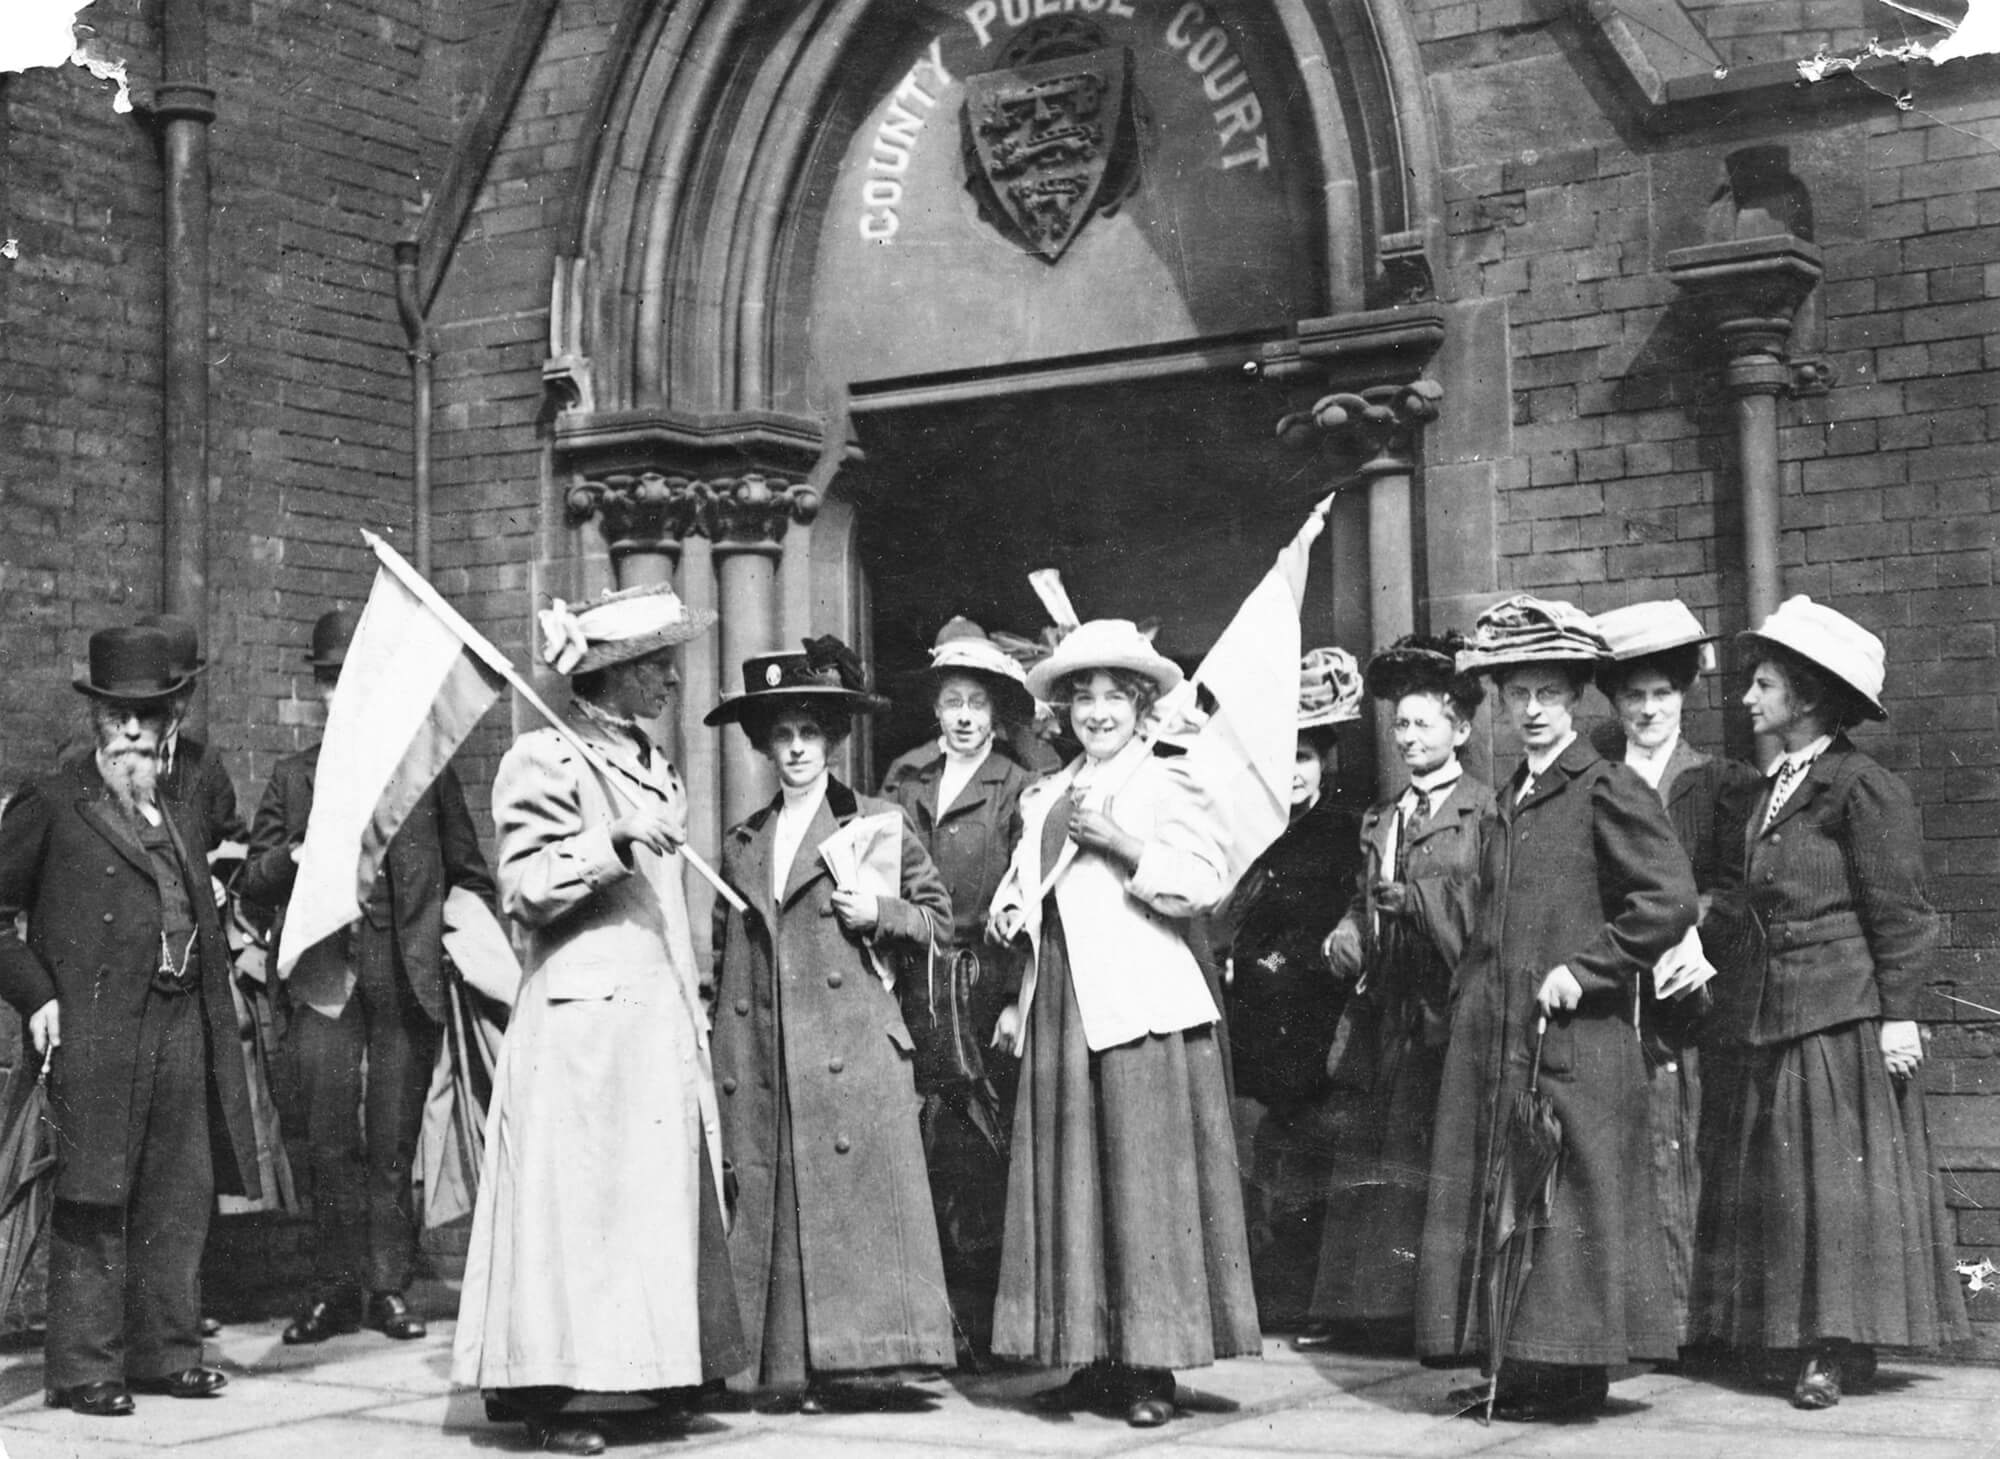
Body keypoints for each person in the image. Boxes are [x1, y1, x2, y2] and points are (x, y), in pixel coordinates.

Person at [454, 583, 745, 1457]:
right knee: (575, 1208)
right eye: (654, 664)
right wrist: (610, 841)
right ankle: (555, 1392)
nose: (668, 680)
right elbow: (522, 885)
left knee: (644, 1206)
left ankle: (644, 1376)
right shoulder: (545, 758)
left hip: (650, 1017)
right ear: (611, 674)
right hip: (580, 1024)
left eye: (668, 662)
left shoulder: (653, 764)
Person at [1415, 595, 1695, 1421]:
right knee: (1518, 1200)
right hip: (1505, 1040)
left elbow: (1667, 898)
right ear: (1497, 701)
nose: (1531, 710)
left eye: (1548, 693)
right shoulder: (1513, 796)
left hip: (1579, 1038)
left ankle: (1570, 1377)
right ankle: (1524, 1366)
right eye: (1516, 694)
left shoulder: (1603, 785)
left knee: (1571, 1209)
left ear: (1575, 696)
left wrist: (1591, 967)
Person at [1690, 596, 1970, 1409]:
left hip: (1836, 1020)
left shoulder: (1860, 787)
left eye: (1764, 684)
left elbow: (1904, 913)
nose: (1748, 698)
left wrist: (1901, 1014)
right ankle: (1802, 1337)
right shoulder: (1773, 788)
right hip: (1768, 1016)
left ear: (1806, 697)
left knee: (1831, 1189)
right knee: (1784, 1183)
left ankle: (1834, 1347)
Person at [987, 619, 1260, 1430]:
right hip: (1065, 1001)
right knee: (1078, 1182)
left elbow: (1204, 883)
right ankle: (1094, 1357)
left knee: (1142, 1184)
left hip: (1144, 1004)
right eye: (1083, 698)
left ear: (1142, 705)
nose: (1098, 712)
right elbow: (1019, 886)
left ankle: (1150, 1366)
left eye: (1115, 696)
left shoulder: (1169, 778)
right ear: (1063, 711)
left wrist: (1123, 844)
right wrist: (1009, 912)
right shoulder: (1044, 794)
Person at [0, 626, 261, 1416]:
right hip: (94, 1024)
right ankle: (85, 1367)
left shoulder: (180, 810)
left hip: (182, 1018)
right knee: (94, 1193)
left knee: (178, 1192)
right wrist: (35, 993)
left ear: (173, 718)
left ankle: (166, 1352)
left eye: (149, 713)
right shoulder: (51, 801)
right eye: (120, 714)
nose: (135, 731)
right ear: (97, 718)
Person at [708, 640, 956, 1412]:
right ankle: (783, 1362)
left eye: (809, 734)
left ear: (833, 740)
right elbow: (730, 952)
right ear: (762, 744)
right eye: (780, 735)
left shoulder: (874, 822)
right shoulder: (746, 840)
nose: (795, 751)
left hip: (850, 1044)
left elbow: (940, 920)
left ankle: (863, 1362)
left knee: (848, 1204)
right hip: (775, 1050)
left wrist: (880, 912)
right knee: (783, 1197)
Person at [242, 607, 495, 1347]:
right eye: (330, 683)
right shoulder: (295, 780)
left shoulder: (426, 779)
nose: (341, 695)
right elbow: (253, 882)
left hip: (403, 984)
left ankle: (387, 1286)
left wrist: (451, 946)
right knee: (326, 1143)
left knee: (391, 1139)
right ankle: (332, 1288)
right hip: (324, 988)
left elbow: (471, 875)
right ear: (321, 691)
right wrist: (293, 856)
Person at [1300, 633, 1491, 1352]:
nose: (1410, 737)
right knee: (1378, 1161)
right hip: (1386, 1017)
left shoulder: (1484, 813)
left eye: (1425, 723)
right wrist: (1347, 931)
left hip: (1443, 1016)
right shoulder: (1381, 817)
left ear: (1461, 730)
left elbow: (1482, 910)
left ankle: (1441, 1320)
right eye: (1401, 724)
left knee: (1437, 1159)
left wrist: (1417, 899)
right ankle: (1372, 1312)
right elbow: (1363, 899)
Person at [1589, 600, 1760, 1349]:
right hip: (1613, 986)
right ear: (1616, 702)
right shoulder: (1597, 782)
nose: (1649, 707)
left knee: (1684, 1145)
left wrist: (1692, 933)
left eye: (1662, 693)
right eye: (1634, 695)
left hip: (1690, 994)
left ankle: (1689, 1324)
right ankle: (1632, 1322)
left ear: (1683, 695)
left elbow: (1735, 882)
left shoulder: (1720, 782)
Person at [877, 617, 1037, 1358]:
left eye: (978, 701)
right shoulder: (904, 778)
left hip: (981, 990)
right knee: (919, 1148)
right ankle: (925, 1323)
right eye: (953, 700)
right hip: (914, 983)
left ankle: (979, 1327)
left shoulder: (1020, 786)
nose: (966, 716)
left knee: (980, 1154)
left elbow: (1032, 896)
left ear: (996, 711)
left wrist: (1014, 998)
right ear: (935, 708)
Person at [1217, 647, 1365, 1330]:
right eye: (1282, 758)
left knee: (1310, 1155)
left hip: (1310, 1018)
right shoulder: (1247, 830)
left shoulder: (1340, 829)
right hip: (1254, 1018)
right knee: (1260, 1156)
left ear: (1324, 760)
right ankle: (1270, 1292)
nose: (1293, 772)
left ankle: (1311, 1298)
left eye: (1305, 757)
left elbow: (1337, 922)